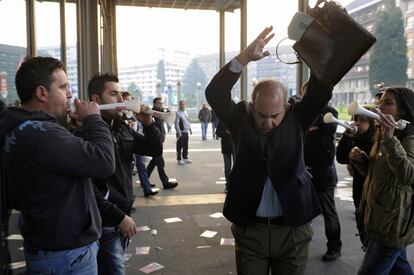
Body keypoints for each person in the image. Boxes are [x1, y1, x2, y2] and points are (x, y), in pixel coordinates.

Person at [205, 26, 333, 274]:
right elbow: (215, 93)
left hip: (293, 229)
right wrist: (243, 58)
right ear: (252, 106)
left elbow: (322, 89)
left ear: (286, 107)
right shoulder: (240, 117)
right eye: (261, 115)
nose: (268, 122)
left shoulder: (299, 117)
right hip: (251, 229)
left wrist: (312, 47)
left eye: (275, 115)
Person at [0, 56, 116, 274]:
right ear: (42, 93)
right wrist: (94, 120)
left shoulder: (22, 128)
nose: (70, 94)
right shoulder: (41, 133)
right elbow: (104, 162)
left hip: (49, 245)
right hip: (66, 254)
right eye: (63, 87)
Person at [79, 74, 162, 275]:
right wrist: (118, 217)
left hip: (120, 218)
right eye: (113, 94)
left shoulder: (122, 129)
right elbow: (87, 188)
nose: (120, 99)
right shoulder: (86, 135)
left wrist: (149, 123)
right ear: (96, 100)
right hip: (106, 222)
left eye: (120, 93)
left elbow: (154, 149)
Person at [356, 88, 414, 275]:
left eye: (388, 103)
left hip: (392, 221)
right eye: (380, 102)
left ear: (403, 110)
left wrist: (390, 140)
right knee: (400, 267)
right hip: (384, 216)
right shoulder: (384, 133)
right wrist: (363, 162)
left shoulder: (409, 137)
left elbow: (409, 175)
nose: (380, 107)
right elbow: (383, 174)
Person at [302, 97, 342, 262]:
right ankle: (303, 241)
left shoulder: (328, 112)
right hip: (307, 169)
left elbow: (329, 128)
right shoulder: (306, 114)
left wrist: (315, 114)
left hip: (324, 171)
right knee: (305, 210)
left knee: (328, 211)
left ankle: (334, 247)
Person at [336, 108, 376, 248]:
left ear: (371, 122)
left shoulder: (373, 140)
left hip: (371, 192)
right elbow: (341, 158)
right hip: (359, 190)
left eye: (361, 120)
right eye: (355, 119)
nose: (356, 123)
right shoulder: (356, 138)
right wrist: (347, 137)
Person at [147, 97, 178, 189]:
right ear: (155, 104)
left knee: (154, 162)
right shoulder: (152, 114)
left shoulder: (159, 113)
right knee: (160, 162)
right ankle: (165, 182)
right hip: (155, 141)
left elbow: (169, 116)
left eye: (162, 103)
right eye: (159, 104)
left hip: (159, 140)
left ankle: (144, 178)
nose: (161, 105)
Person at [216, 120, 233, 192]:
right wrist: (226, 132)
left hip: (236, 146)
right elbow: (217, 132)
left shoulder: (238, 118)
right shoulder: (222, 120)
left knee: (237, 166)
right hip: (226, 146)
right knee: (227, 167)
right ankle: (228, 185)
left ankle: (236, 184)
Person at [175, 100, 192, 165]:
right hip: (181, 132)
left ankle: (185, 158)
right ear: (179, 105)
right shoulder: (177, 113)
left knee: (185, 146)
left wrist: (190, 129)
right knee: (179, 146)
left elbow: (187, 121)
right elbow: (176, 124)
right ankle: (179, 159)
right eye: (181, 104)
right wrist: (179, 133)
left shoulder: (185, 111)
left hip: (186, 132)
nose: (183, 105)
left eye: (184, 104)